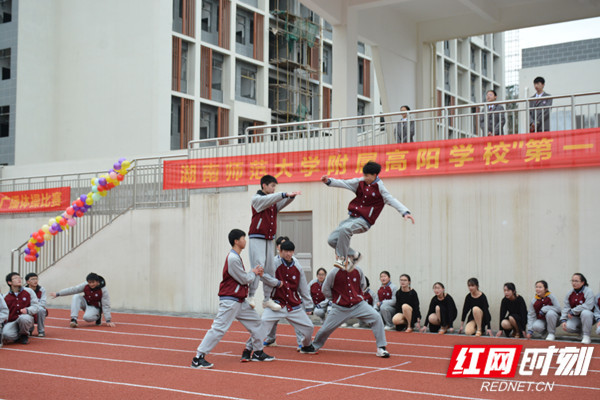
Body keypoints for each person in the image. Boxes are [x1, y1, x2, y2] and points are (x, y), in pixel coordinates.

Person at [191, 229, 273, 369]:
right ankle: (198, 357)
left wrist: (253, 273)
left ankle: (258, 352)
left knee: (257, 323)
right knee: (219, 328)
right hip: (230, 300)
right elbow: (244, 279)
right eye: (243, 238)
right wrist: (254, 272)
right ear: (236, 241)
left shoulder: (236, 257)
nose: (245, 241)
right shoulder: (232, 258)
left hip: (239, 301)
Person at [321, 161, 415, 271]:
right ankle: (355, 255)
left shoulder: (380, 188)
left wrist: (405, 212)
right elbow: (345, 183)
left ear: (374, 175)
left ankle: (342, 260)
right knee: (332, 240)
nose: (364, 178)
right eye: (363, 175)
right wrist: (329, 181)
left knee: (345, 229)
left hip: (364, 221)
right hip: (352, 218)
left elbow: (391, 200)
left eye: (367, 176)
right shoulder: (360, 182)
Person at [250, 240, 317, 355]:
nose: (288, 254)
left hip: (293, 305)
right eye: (286, 251)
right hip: (276, 304)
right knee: (262, 325)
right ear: (280, 251)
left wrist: (309, 306)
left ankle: (306, 346)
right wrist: (275, 283)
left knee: (309, 327)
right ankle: (252, 350)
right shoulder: (273, 264)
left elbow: (303, 288)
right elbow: (263, 277)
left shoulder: (298, 267)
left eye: (291, 251)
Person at [312, 265, 390, 358]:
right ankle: (314, 346)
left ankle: (381, 347)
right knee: (325, 328)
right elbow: (325, 289)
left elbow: (363, 285)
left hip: (358, 305)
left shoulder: (358, 269)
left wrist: (357, 295)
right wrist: (336, 299)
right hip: (340, 308)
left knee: (376, 317)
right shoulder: (334, 272)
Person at [248, 175, 300, 310]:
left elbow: (279, 203)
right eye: (272, 186)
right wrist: (283, 194)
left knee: (270, 269)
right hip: (257, 236)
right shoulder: (257, 199)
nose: (273, 189)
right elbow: (270, 199)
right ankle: (251, 295)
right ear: (264, 186)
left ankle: (267, 298)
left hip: (269, 237)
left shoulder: (272, 202)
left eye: (275, 187)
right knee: (258, 266)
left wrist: (290, 197)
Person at [49, 272, 115, 328]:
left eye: (93, 282)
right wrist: (58, 294)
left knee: (86, 318)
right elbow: (74, 289)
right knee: (76, 296)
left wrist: (108, 320)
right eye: (89, 282)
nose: (91, 284)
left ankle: (98, 317)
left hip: (95, 307)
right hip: (86, 303)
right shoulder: (86, 285)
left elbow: (106, 305)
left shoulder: (103, 290)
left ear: (97, 282)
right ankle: (73, 319)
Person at [2, 272, 39, 345]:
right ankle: (18, 335)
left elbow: (36, 306)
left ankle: (24, 335)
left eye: (20, 278)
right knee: (6, 335)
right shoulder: (5, 297)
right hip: (13, 321)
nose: (19, 279)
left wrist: (28, 310)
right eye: (16, 278)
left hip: (26, 318)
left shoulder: (29, 291)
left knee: (23, 318)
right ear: (9, 282)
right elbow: (3, 312)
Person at [560, 273, 595, 344]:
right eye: (572, 281)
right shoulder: (569, 293)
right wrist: (563, 319)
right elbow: (566, 307)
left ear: (582, 282)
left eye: (576, 281)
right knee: (567, 327)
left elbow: (588, 306)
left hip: (588, 317)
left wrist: (573, 311)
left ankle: (586, 336)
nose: (574, 283)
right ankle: (582, 331)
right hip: (576, 318)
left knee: (586, 312)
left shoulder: (588, 291)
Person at [25, 272, 47, 337]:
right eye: (32, 279)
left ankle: (41, 330)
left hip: (38, 308)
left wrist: (35, 307)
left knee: (41, 310)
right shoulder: (24, 290)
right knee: (27, 311)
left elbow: (43, 302)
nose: (35, 281)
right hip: (28, 308)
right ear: (28, 282)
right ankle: (29, 329)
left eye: (36, 279)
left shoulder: (41, 289)